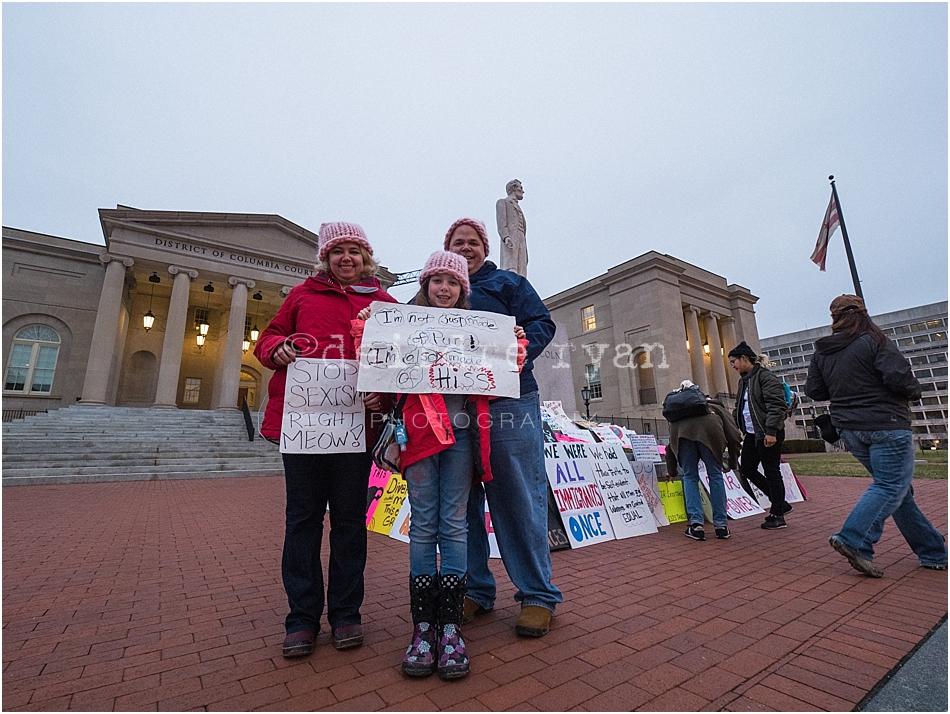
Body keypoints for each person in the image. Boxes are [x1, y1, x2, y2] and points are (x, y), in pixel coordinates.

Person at [357, 250, 528, 680]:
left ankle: (449, 624)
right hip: (417, 436)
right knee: (424, 525)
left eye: (452, 283)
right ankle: (423, 627)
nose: (444, 288)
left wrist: (515, 348)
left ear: (461, 290)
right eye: (437, 281)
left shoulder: (480, 330)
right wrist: (367, 338)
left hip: (464, 437)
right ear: (426, 286)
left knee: (453, 524)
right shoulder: (401, 325)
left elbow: (503, 374)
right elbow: (379, 373)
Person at [254, 221, 398, 658]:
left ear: (367, 258)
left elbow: (402, 361)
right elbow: (268, 340)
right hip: (303, 432)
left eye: (355, 251)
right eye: (338, 252)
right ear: (326, 258)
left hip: (357, 431)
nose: (347, 258)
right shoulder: (301, 295)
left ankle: (345, 613)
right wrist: (275, 350)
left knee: (351, 524)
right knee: (302, 522)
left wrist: (386, 395)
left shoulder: (384, 303)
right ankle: (301, 619)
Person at [445, 217, 563, 637]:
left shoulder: (508, 284)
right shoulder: (435, 290)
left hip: (509, 400)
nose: (465, 249)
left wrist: (515, 350)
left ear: (485, 247)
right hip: (452, 404)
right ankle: (476, 588)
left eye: (472, 242)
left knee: (517, 496)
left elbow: (541, 324)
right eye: (457, 243)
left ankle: (537, 594)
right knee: (460, 502)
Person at [805, 294, 947, 577]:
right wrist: (913, 392)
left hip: (850, 429)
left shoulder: (823, 352)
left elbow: (814, 391)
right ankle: (853, 539)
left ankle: (933, 552)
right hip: (886, 423)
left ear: (834, 319)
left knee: (899, 491)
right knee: (890, 485)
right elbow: (899, 378)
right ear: (862, 314)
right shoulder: (874, 340)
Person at [665, 381, 744, 541]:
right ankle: (721, 526)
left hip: (682, 435)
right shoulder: (715, 407)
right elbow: (734, 435)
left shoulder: (679, 412)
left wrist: (672, 471)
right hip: (711, 432)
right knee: (715, 476)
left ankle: (696, 525)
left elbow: (669, 448)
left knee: (689, 477)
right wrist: (732, 462)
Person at [728, 341, 790, 530]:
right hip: (752, 435)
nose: (733, 366)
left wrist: (771, 431)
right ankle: (779, 502)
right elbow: (743, 407)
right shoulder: (744, 381)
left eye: (734, 361)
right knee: (747, 468)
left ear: (744, 358)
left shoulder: (765, 377)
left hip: (768, 434)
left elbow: (776, 406)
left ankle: (778, 514)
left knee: (772, 472)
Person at [496, 179, 528, 277]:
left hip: (521, 238)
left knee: (521, 266)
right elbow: (501, 222)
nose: (523, 191)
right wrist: (506, 237)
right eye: (520, 188)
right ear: (514, 188)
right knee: (511, 266)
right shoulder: (503, 202)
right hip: (511, 237)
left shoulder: (518, 207)